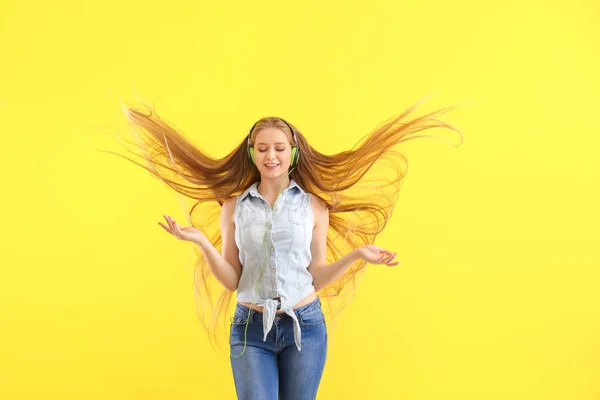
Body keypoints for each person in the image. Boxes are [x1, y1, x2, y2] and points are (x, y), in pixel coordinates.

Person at [110, 95, 463, 400]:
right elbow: (233, 280)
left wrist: (358, 255)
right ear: (251, 153)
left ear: (292, 153)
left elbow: (317, 276)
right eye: (262, 149)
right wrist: (202, 241)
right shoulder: (234, 207)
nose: (271, 156)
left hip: (305, 327)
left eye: (279, 148)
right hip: (250, 326)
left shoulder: (314, 207)